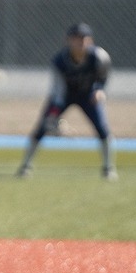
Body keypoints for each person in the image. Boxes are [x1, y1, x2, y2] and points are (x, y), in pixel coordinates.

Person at [16, 23, 117, 180]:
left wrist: (99, 90)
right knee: (41, 128)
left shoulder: (99, 57)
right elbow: (57, 92)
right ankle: (25, 166)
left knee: (102, 128)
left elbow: (103, 76)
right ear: (68, 41)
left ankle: (108, 168)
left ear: (90, 41)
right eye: (77, 39)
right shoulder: (60, 61)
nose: (81, 42)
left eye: (84, 38)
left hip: (88, 96)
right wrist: (54, 115)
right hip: (65, 95)